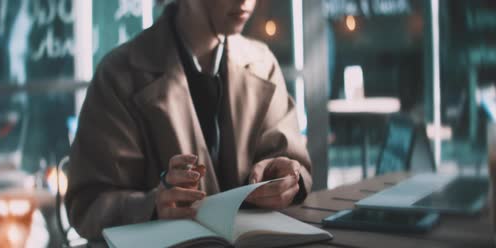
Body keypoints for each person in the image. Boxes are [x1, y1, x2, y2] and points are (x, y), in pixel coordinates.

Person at [65, 0, 313, 240]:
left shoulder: (262, 63)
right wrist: (151, 206)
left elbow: (296, 166)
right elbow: (87, 205)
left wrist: (290, 179)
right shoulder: (118, 75)